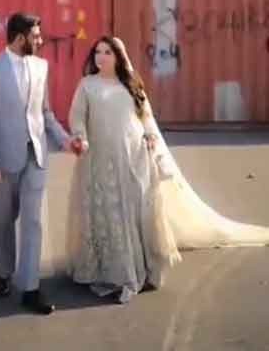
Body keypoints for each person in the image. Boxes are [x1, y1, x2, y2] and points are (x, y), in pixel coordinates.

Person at [66, 36, 269, 304]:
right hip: (100, 161)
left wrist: (150, 138)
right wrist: (81, 136)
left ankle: (140, 269)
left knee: (135, 213)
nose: (101, 57)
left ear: (119, 57)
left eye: (107, 52)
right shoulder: (87, 86)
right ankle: (114, 271)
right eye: (97, 52)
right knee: (109, 215)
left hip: (134, 158)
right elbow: (77, 117)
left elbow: (146, 119)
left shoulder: (131, 86)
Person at [0, 12, 73, 315]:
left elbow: (46, 115)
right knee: (2, 221)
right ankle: (4, 274)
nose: (40, 41)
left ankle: (30, 288)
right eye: (36, 36)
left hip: (35, 156)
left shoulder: (41, 67)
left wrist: (67, 141)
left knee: (34, 221)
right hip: (2, 160)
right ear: (19, 37)